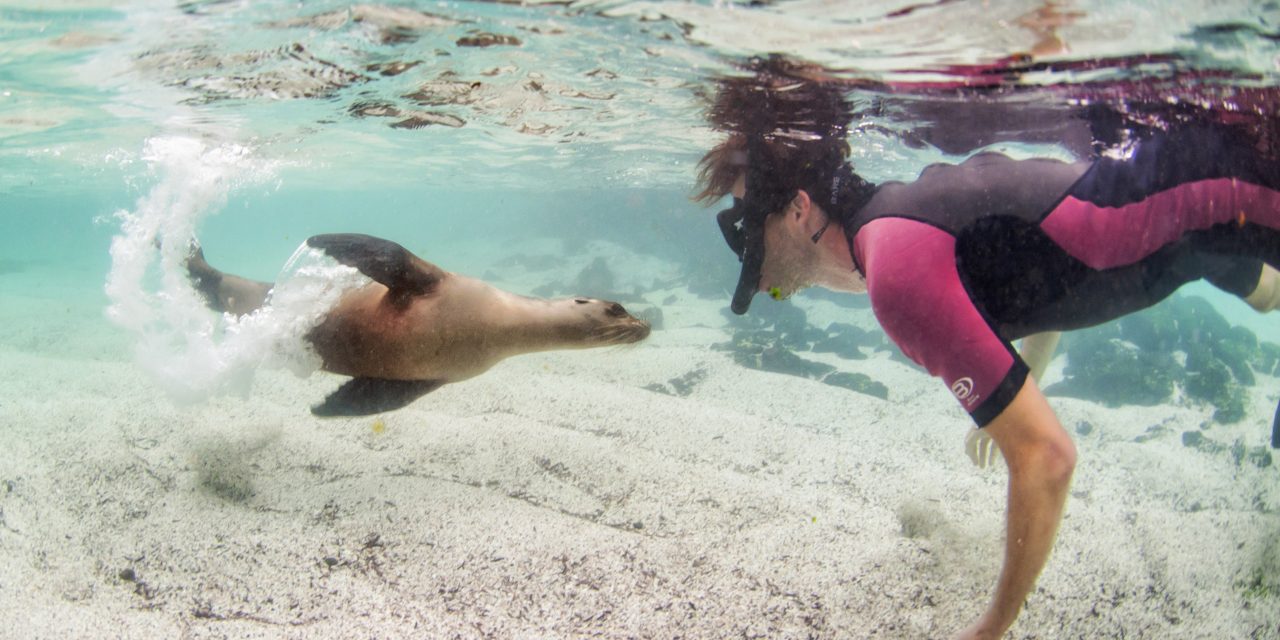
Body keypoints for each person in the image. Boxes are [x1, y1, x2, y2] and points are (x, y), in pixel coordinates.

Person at [695, 63, 1280, 639]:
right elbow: (1049, 276)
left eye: (749, 221)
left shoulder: (895, 274)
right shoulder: (898, 222)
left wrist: (990, 627)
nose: (748, 245)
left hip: (1221, 188)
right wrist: (1021, 385)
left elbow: (1048, 458)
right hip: (1194, 230)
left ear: (798, 210)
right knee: (1265, 295)